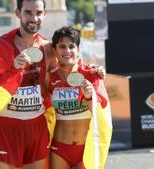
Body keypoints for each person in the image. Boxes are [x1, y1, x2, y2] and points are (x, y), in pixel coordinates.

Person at [0, 0, 56, 169]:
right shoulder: (0, 45)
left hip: (37, 128)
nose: (34, 18)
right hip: (7, 127)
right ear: (18, 13)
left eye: (38, 13)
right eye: (28, 12)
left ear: (45, 15)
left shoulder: (49, 49)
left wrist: (92, 72)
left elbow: (61, 81)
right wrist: (13, 68)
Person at [47, 26, 112, 169]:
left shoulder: (92, 73)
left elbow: (102, 109)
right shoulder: (49, 77)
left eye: (72, 46)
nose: (67, 51)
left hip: (85, 149)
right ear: (54, 50)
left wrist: (90, 96)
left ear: (78, 49)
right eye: (62, 47)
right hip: (59, 149)